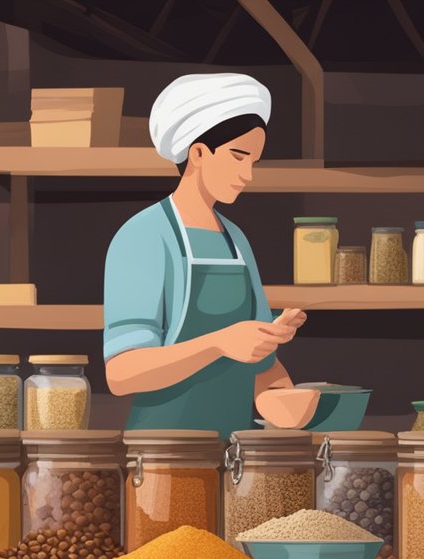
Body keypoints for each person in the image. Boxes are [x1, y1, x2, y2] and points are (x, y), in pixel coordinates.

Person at [103, 73, 307, 438]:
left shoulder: (235, 240)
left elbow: (262, 369)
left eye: (254, 162)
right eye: (238, 156)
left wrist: (286, 400)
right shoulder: (143, 236)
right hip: (163, 454)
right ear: (198, 152)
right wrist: (219, 342)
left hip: (236, 452)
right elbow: (122, 372)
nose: (248, 175)